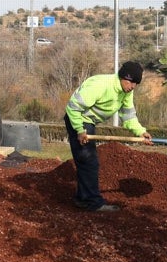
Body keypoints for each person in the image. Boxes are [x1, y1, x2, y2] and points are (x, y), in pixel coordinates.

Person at [64, 60, 152, 211]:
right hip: (78, 119)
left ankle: (82, 198)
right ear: (124, 77)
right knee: (88, 160)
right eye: (131, 83)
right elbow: (73, 107)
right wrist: (79, 130)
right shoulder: (101, 85)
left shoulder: (126, 93)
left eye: (136, 84)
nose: (133, 87)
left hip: (89, 122)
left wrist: (141, 132)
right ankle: (91, 202)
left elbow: (128, 117)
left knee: (86, 161)